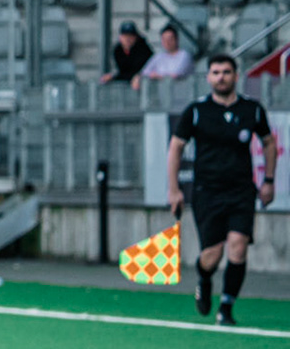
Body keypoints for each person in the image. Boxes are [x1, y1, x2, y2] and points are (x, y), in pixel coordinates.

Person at [167, 53, 276, 327]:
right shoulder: (196, 111)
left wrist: (269, 180)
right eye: (215, 72)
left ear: (236, 76)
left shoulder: (251, 109)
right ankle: (204, 278)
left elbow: (269, 143)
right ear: (208, 78)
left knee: (238, 248)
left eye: (226, 72)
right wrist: (174, 189)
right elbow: (176, 148)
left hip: (241, 191)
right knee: (212, 254)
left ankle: (226, 308)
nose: (221, 77)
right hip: (207, 191)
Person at [100, 21, 154, 86]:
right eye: (125, 36)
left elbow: (137, 71)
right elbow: (123, 71)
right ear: (120, 37)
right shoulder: (118, 51)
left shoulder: (144, 50)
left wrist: (115, 77)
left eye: (130, 36)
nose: (127, 39)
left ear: (135, 37)